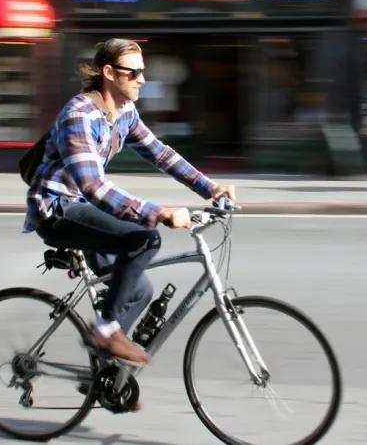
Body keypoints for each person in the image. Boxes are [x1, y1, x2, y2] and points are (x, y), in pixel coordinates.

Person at [22, 38, 236, 368]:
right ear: (109, 73)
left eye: (142, 71)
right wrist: (157, 212)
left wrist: (210, 188)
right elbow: (93, 186)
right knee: (144, 239)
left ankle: (106, 375)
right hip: (56, 209)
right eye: (133, 72)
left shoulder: (124, 113)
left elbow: (160, 154)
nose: (142, 79)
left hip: (84, 208)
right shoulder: (78, 116)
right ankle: (105, 331)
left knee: (138, 291)